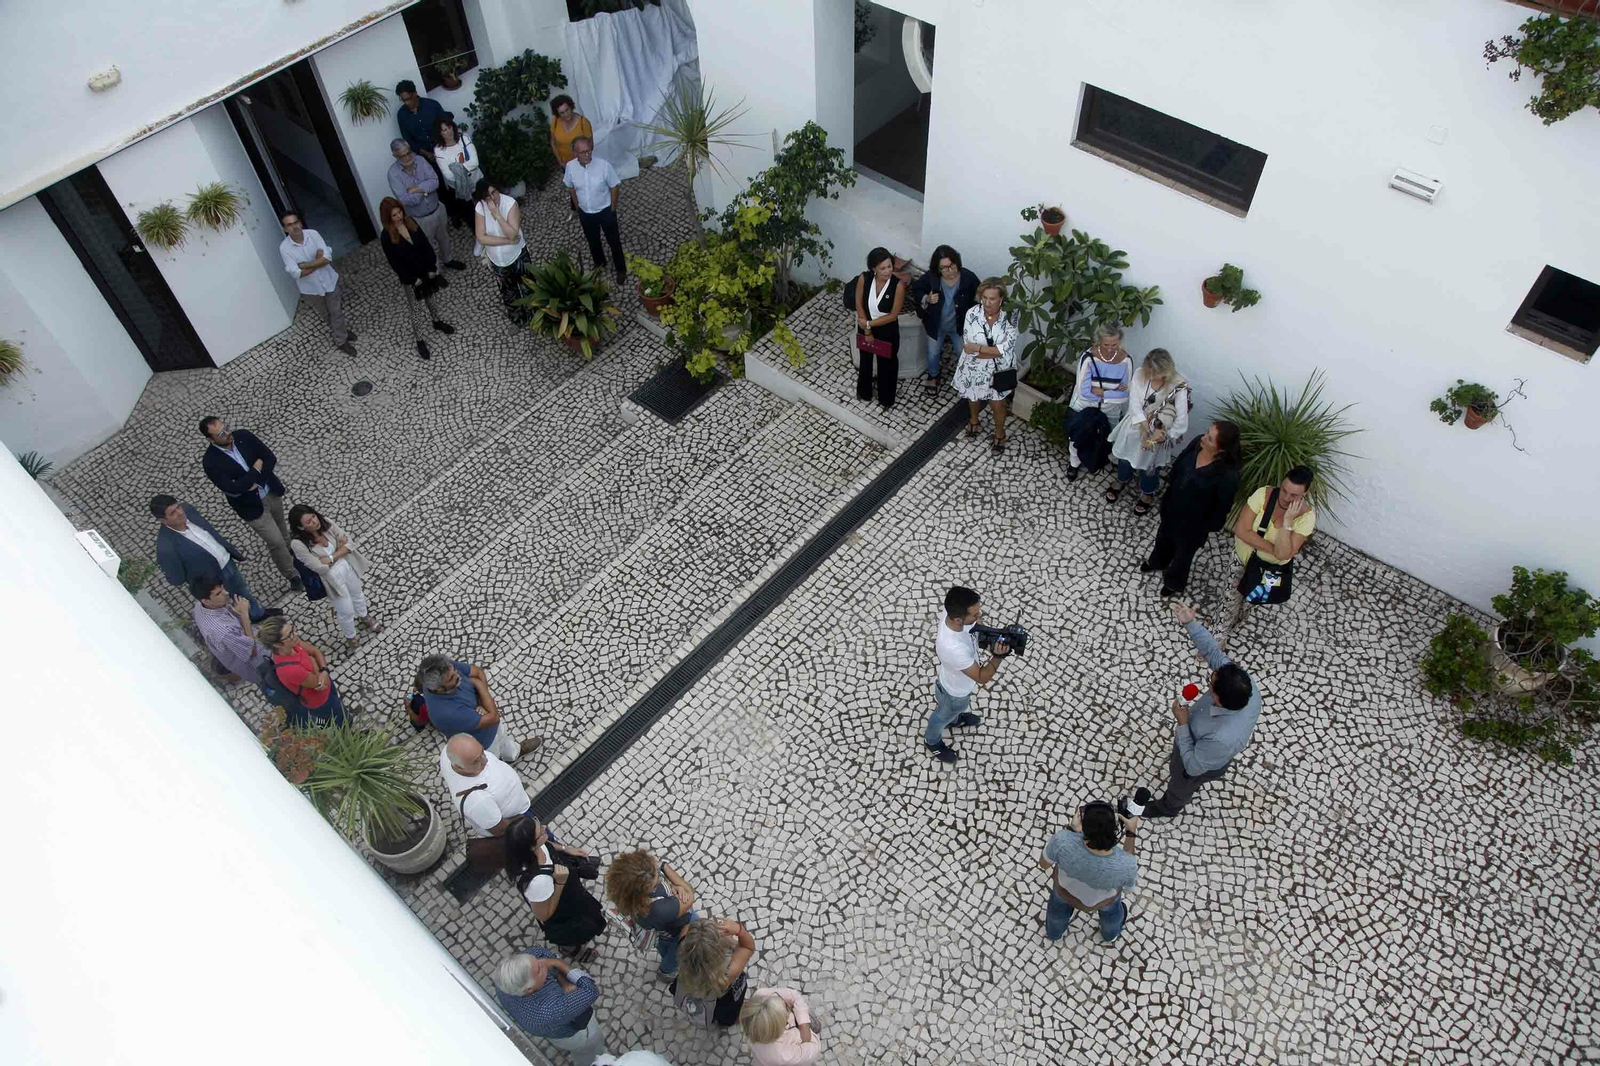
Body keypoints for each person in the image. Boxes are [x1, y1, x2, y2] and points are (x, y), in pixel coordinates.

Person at [1135, 602, 1260, 818]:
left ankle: (1169, 807)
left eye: (1210, 682)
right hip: (1200, 743)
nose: (1210, 676)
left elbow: (1193, 766)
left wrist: (1182, 722)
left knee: (1182, 781)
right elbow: (1213, 652)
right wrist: (1190, 623)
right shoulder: (1244, 684)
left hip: (1199, 761)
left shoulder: (1222, 739)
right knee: (1180, 759)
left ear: (1217, 698)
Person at [1140, 421, 1243, 597]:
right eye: (1206, 432)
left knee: (1183, 555)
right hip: (1172, 507)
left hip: (1194, 525)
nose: (1203, 438)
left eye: (1209, 439)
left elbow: (1222, 507)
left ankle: (1174, 582)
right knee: (1163, 537)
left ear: (1221, 450)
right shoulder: (1197, 443)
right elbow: (1180, 462)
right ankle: (1158, 561)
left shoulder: (1227, 476)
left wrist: (1205, 527)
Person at [198, 419, 299, 591]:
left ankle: (294, 554)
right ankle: (292, 574)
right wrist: (255, 470)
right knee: (275, 542)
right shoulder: (210, 462)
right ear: (210, 440)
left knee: (282, 527)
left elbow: (269, 458)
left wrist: (253, 480)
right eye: (221, 433)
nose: (228, 433)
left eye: (226, 428)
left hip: (271, 492)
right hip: (251, 507)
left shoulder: (243, 436)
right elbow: (233, 488)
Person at [924, 585, 1011, 765]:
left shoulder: (951, 612)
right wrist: (998, 656)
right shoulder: (953, 649)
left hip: (952, 682)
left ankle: (954, 720)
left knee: (952, 711)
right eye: (974, 614)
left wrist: (995, 634)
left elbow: (973, 630)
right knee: (942, 715)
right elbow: (981, 677)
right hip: (954, 693)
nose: (979, 616)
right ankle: (932, 741)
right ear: (958, 619)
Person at [506, 816, 607, 964]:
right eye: (540, 831)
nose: (545, 827)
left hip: (571, 891)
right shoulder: (537, 881)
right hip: (562, 907)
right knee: (579, 928)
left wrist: (566, 849)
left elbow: (546, 844)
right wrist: (560, 883)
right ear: (531, 846)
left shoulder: (534, 847)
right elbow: (543, 915)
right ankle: (569, 948)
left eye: (539, 824)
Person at [1228, 465, 1316, 633]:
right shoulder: (1263, 494)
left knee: (1251, 602)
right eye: (1284, 490)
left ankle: (1238, 624)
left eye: (1293, 495)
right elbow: (1241, 530)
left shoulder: (1307, 517)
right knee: (1229, 601)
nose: (1285, 498)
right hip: (1242, 559)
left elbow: (1284, 554)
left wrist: (1287, 523)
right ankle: (1218, 637)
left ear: (1304, 494)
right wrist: (1276, 550)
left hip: (1269, 571)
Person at [1037, 800, 1139, 944]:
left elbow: (1043, 864)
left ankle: (1054, 933)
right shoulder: (1125, 865)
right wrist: (1131, 833)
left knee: (1057, 912)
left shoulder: (1062, 841)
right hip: (1103, 901)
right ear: (1114, 830)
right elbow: (1129, 887)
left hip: (1065, 891)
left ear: (1083, 827)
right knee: (1112, 914)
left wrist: (1071, 830)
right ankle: (1110, 935)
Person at [151, 494, 266, 620]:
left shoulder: (187, 509)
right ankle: (245, 624)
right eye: (173, 513)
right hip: (213, 581)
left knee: (242, 590)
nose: (180, 512)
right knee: (228, 604)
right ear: (163, 521)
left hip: (227, 561)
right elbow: (176, 579)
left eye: (178, 507)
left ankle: (257, 614)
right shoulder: (166, 548)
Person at [414, 654, 543, 760]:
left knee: (502, 738)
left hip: (488, 725)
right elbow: (494, 718)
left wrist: (482, 704)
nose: (458, 675)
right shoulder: (446, 713)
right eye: (452, 678)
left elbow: (478, 671)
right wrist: (479, 686)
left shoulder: (446, 669)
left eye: (455, 670)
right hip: (483, 744)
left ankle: (514, 753)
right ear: (438, 689)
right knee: (493, 761)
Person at [287, 504, 379, 651]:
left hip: (347, 567)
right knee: (345, 609)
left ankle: (364, 615)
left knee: (357, 594)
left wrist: (331, 556)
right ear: (301, 527)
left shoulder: (326, 523)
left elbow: (349, 543)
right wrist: (340, 550)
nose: (315, 522)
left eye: (313, 517)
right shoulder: (298, 544)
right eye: (308, 522)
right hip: (331, 579)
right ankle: (351, 636)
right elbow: (319, 567)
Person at [1107, 349, 1189, 513]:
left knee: (1150, 466)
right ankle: (1123, 478)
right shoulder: (1139, 374)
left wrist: (1163, 436)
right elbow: (1135, 405)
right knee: (1125, 456)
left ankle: (1147, 492)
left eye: (1155, 373)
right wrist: (1145, 431)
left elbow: (1181, 419)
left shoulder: (1178, 386)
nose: (1150, 375)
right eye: (1148, 370)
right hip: (1136, 425)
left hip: (1159, 432)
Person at [493, 947, 606, 1066]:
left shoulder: (505, 979)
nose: (543, 962)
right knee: (589, 1046)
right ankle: (593, 1060)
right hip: (577, 1034)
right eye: (539, 969)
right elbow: (591, 990)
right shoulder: (548, 1011)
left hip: (553, 1021)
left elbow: (539, 951)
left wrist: (562, 980)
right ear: (529, 989)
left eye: (537, 961)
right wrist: (559, 964)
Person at [378, 196, 456, 360]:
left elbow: (425, 245)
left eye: (399, 212)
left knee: (431, 299)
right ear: (388, 218)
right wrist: (412, 279)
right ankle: (419, 340)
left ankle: (437, 321)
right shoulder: (386, 236)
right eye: (394, 215)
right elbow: (395, 263)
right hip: (411, 279)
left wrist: (431, 267)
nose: (399, 217)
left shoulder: (410, 222)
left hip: (425, 271)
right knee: (416, 310)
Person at [605, 850, 696, 980]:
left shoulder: (631, 894)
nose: (659, 875)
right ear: (643, 890)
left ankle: (667, 966)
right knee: (676, 953)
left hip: (661, 929)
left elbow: (659, 875)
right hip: (676, 930)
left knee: (665, 949)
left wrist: (671, 883)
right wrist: (665, 867)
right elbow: (690, 895)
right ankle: (666, 972)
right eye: (655, 880)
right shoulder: (658, 909)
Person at [952, 278, 1020, 454]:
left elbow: (1006, 348)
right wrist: (990, 350)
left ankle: (1000, 433)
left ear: (1001, 299)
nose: (987, 302)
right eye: (984, 298)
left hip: (999, 370)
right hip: (974, 366)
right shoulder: (972, 313)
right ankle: (974, 421)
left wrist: (980, 349)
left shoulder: (1011, 316)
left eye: (992, 299)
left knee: (997, 404)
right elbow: (969, 347)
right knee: (972, 397)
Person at [278, 211, 356, 356]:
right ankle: (342, 331)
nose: (294, 227)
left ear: (300, 223)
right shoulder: (284, 248)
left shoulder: (313, 234)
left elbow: (327, 257)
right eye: (289, 225)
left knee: (336, 312)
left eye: (296, 222)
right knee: (326, 315)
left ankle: (341, 340)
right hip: (311, 289)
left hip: (328, 280)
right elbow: (296, 273)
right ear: (285, 229)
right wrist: (317, 262)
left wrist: (305, 265)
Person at [1064, 323, 1134, 481]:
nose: (1110, 348)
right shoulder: (1088, 358)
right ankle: (1074, 463)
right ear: (1098, 342)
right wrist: (1113, 393)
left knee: (1106, 436)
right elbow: (1083, 393)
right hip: (1084, 406)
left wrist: (1102, 392)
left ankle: (1097, 459)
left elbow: (1125, 394)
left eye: (1114, 344)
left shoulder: (1126, 361)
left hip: (1111, 409)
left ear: (1120, 342)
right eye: (1106, 344)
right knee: (1078, 435)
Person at [387, 139, 466, 274]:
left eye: (408, 153)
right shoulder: (393, 174)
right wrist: (426, 190)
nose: (407, 157)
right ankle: (435, 271)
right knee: (427, 246)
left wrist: (417, 189)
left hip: (437, 208)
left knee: (444, 238)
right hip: (418, 218)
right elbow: (405, 199)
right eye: (402, 155)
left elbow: (435, 182)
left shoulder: (421, 160)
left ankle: (448, 260)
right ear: (395, 155)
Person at [189, 576, 280, 692]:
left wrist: (236, 613)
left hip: (246, 644)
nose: (226, 592)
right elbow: (252, 650)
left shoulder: (200, 607)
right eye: (218, 593)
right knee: (281, 681)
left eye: (222, 588)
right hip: (260, 663)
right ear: (206, 600)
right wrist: (244, 614)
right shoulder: (223, 631)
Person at [907, 245, 979, 389]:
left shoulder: (968, 278)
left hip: (959, 326)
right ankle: (933, 376)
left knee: (962, 353)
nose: (950, 270)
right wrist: (926, 298)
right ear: (938, 269)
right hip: (936, 325)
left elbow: (980, 293)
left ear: (957, 262)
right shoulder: (932, 277)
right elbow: (916, 288)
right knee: (933, 353)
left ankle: (964, 377)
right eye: (944, 268)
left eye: (952, 265)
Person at [256, 615, 348, 727]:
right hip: (321, 700)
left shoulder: (292, 644)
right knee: (342, 721)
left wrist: (323, 670)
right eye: (289, 635)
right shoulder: (290, 670)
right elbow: (318, 682)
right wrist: (317, 664)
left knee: (339, 708)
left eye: (293, 629)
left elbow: (315, 651)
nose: (296, 634)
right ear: (277, 644)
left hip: (326, 686)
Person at [440, 734, 533, 837]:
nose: (485, 759)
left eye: (482, 751)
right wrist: (522, 820)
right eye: (476, 761)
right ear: (459, 767)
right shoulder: (476, 801)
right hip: (517, 817)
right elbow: (501, 829)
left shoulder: (448, 753)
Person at [673, 918, 755, 1029]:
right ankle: (724, 1023)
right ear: (718, 951)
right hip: (723, 1002)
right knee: (727, 1016)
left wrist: (701, 931)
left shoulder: (683, 947)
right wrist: (739, 930)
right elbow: (748, 947)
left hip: (689, 985)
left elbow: (687, 927)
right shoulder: (727, 973)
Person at [563, 137, 625, 282]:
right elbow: (570, 187)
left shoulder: (604, 166)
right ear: (575, 153)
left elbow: (614, 186)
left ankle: (620, 269)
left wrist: (612, 207)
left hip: (605, 211)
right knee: (593, 241)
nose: (587, 155)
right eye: (583, 152)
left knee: (613, 241)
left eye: (589, 150)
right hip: (585, 212)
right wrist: (577, 206)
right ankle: (600, 264)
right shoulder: (570, 167)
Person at [473, 177, 531, 325]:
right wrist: (506, 241)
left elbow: (513, 233)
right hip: (498, 261)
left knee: (528, 288)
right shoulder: (480, 208)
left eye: (494, 192)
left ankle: (535, 316)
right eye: (487, 196)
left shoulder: (510, 204)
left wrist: (498, 215)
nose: (492, 198)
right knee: (508, 293)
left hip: (517, 255)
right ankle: (518, 319)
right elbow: (481, 237)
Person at [852, 247, 905, 408]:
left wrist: (869, 325)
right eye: (883, 268)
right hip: (865, 324)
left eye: (889, 267)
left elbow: (893, 315)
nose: (887, 271)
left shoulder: (898, 286)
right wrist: (866, 328)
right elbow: (859, 303)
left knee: (887, 365)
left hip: (886, 330)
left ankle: (886, 398)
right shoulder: (864, 278)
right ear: (874, 268)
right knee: (865, 360)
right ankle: (865, 392)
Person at [741, 989, 822, 1065]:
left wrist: (802, 1020)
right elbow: (815, 1047)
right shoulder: (782, 1054)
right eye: (786, 1009)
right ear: (776, 1030)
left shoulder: (761, 996)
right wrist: (804, 1029)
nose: (789, 1009)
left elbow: (794, 995)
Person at [431, 115, 479, 228]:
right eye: (444, 130)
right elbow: (447, 175)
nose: (448, 132)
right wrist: (465, 168)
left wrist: (456, 168)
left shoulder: (464, 138)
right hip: (459, 189)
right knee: (470, 215)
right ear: (439, 134)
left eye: (449, 127)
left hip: (475, 181)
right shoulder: (439, 150)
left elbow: (475, 162)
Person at [393, 80, 447, 163]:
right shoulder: (401, 115)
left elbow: (446, 126)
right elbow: (408, 140)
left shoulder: (432, 105)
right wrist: (426, 154)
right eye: (403, 100)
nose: (407, 103)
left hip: (444, 148)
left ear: (415, 93)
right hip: (425, 158)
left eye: (408, 99)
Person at [548, 94, 595, 169]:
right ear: (557, 113)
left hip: (582, 163)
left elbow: (590, 145)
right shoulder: (555, 122)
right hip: (566, 164)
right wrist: (560, 161)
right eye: (562, 113)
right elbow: (553, 143)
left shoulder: (583, 122)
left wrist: (584, 161)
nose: (566, 114)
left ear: (571, 107)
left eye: (567, 110)